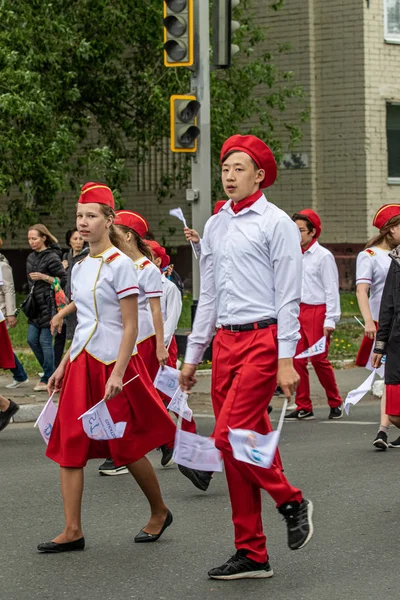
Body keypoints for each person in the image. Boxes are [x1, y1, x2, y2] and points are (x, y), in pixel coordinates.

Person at [180, 134, 313, 580]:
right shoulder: (216, 224)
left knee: (227, 438)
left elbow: (288, 296)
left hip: (262, 340)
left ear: (259, 176)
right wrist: (193, 354)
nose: (230, 176)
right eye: (225, 169)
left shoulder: (276, 223)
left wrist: (286, 358)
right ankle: (252, 553)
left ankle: (290, 499)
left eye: (239, 169)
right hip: (224, 342)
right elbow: (210, 294)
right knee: (243, 446)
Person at [39, 182, 176, 554]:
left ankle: (160, 511)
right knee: (69, 442)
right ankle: (72, 530)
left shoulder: (123, 266)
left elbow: (130, 325)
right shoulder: (80, 267)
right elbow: (84, 321)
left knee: (126, 446)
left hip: (114, 366)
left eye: (91, 216)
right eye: (80, 216)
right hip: (83, 363)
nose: (83, 223)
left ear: (108, 219)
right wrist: (64, 363)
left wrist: (118, 372)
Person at [146, 240, 200, 468]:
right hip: (142, 348)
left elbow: (170, 323)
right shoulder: (138, 285)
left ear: (158, 261)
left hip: (163, 350)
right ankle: (168, 441)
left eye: (146, 256)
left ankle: (191, 439)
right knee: (149, 399)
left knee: (173, 399)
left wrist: (160, 345)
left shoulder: (169, 288)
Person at [285, 209, 343, 421]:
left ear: (312, 232)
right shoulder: (291, 254)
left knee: (319, 359)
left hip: (317, 311)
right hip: (297, 310)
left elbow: (331, 289)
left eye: (301, 230)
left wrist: (330, 319)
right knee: (297, 359)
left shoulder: (323, 256)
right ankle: (304, 405)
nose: (297, 234)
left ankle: (335, 401)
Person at [356, 204, 400, 449]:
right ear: (390, 229)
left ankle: (385, 427)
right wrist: (368, 321)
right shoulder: (370, 256)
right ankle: (384, 428)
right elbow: (362, 290)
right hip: (382, 323)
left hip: (396, 321)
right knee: (388, 376)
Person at [26, 225, 66, 391]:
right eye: (29, 239)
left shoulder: (51, 257)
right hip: (35, 306)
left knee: (45, 341)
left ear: (44, 238)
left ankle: (48, 376)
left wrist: (44, 277)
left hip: (49, 305)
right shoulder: (30, 257)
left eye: (34, 238)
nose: (31, 242)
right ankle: (51, 373)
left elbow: (62, 279)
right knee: (31, 339)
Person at [371, 235, 400, 444]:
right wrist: (380, 345)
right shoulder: (397, 259)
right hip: (397, 340)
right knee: (395, 414)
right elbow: (387, 305)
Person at [0, 239, 29, 388]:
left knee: (2, 347)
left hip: (1, 311)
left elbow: (8, 290)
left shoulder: (2, 266)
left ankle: (20, 375)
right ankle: (20, 374)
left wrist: (10, 313)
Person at [62, 228, 89, 340]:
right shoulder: (66, 256)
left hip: (80, 296)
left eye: (81, 239)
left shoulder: (87, 256)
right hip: (65, 296)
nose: (78, 242)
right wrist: (62, 269)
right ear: (69, 241)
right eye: (75, 239)